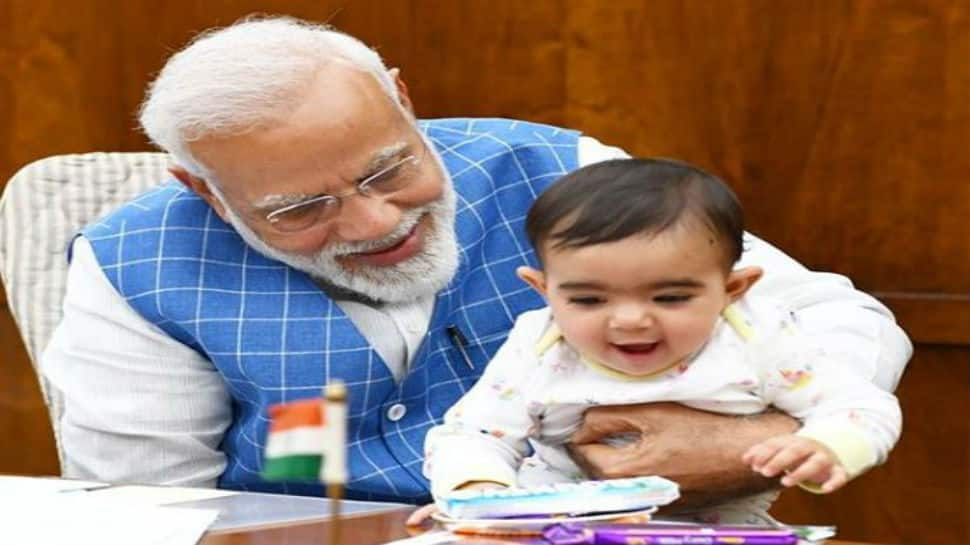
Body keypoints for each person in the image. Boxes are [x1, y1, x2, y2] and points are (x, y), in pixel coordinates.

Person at [41, 16, 911, 504]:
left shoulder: (555, 169)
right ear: (206, 191)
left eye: (389, 166)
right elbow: (144, 507)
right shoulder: (136, 265)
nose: (377, 221)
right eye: (302, 208)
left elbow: (845, 320)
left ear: (405, 101)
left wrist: (760, 435)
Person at [416, 158, 901, 524]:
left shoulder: (756, 338)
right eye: (588, 300)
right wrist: (479, 488)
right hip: (559, 522)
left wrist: (827, 444)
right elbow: (473, 433)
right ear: (543, 290)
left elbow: (862, 405)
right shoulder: (540, 346)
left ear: (733, 290)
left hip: (718, 528)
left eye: (670, 297)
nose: (629, 321)